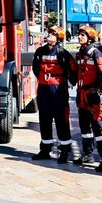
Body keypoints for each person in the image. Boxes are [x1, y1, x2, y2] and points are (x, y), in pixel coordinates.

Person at [32, 27, 75, 163]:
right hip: (44, 89)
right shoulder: (40, 51)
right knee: (44, 119)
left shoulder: (63, 53)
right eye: (49, 33)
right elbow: (35, 68)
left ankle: (65, 152)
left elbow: (72, 70)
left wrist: (68, 83)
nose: (49, 35)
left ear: (59, 38)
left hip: (58, 90)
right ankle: (45, 149)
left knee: (61, 121)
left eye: (53, 34)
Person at [74, 26, 102, 172]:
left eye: (83, 35)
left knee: (99, 127)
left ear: (89, 37)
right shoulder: (80, 53)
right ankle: (87, 154)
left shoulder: (96, 54)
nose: (79, 37)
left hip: (94, 95)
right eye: (79, 34)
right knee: (85, 127)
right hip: (82, 95)